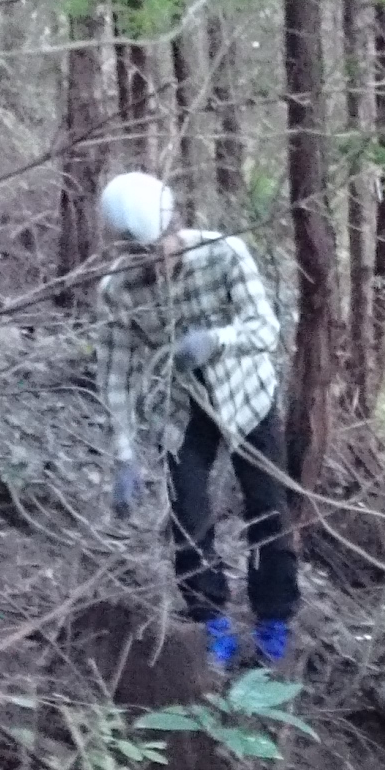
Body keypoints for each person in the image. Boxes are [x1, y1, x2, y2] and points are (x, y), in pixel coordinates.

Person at [93, 171, 296, 672]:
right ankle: (210, 621)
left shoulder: (224, 254)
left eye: (154, 251)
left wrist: (216, 340)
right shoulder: (116, 290)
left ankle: (274, 619)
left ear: (173, 227)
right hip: (179, 411)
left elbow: (265, 328)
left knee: (268, 509)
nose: (150, 265)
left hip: (247, 397)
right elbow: (116, 374)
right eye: (136, 256)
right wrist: (124, 454)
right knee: (189, 516)